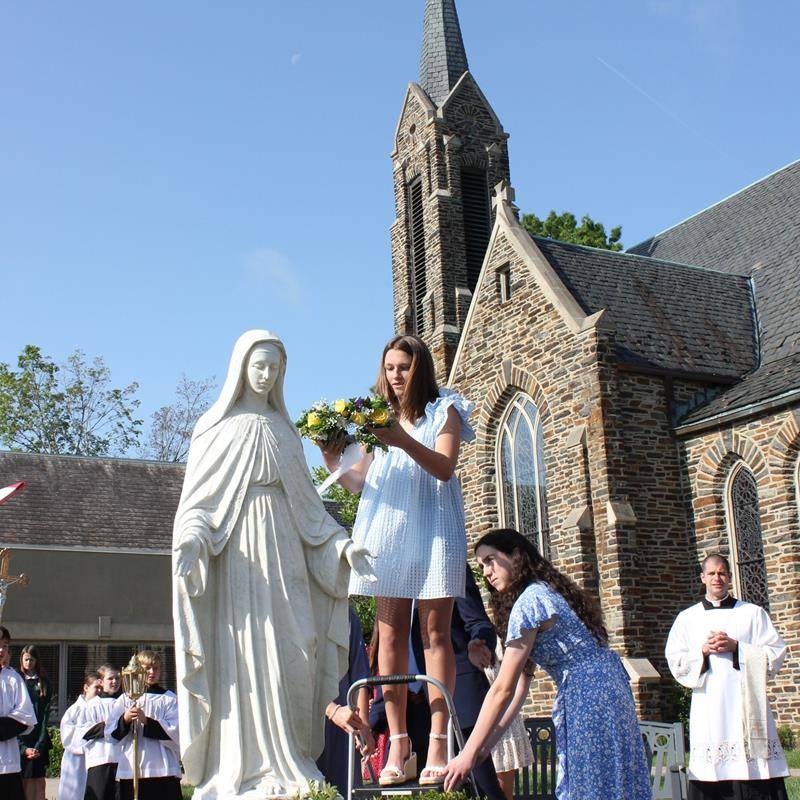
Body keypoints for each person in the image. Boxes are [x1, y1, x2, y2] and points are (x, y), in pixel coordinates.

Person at [173, 329, 376, 799]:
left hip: (286, 555)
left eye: (275, 368)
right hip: (237, 561)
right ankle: (240, 766)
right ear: (241, 367)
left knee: (298, 649)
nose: (266, 375)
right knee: (244, 657)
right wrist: (190, 540)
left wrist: (342, 547)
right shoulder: (215, 427)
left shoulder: (285, 432)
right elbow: (198, 508)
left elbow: (310, 511)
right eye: (259, 366)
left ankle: (291, 759)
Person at [320, 334, 474, 787]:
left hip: (432, 528)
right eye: (389, 368)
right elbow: (362, 482)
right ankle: (401, 740)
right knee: (388, 637)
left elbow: (445, 466)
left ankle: (440, 739)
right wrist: (331, 454)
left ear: (419, 368)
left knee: (433, 634)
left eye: (403, 367)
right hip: (387, 528)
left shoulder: (445, 409)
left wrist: (401, 438)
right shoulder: (377, 420)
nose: (395, 375)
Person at [443, 529, 651, 800]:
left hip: (589, 695)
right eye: (481, 566)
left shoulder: (529, 602)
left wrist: (468, 754)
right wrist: (484, 747)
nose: (486, 572)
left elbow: (502, 689)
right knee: (614, 780)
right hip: (608, 687)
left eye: (491, 560)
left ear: (516, 556)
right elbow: (518, 691)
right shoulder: (545, 591)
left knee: (591, 786)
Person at [665, 553, 789, 800]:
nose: (717, 578)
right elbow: (675, 660)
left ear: (729, 577)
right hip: (710, 704)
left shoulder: (753, 613)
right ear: (702, 578)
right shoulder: (687, 618)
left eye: (722, 573)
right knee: (713, 769)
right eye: (711, 573)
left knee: (754, 768)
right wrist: (701, 651)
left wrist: (737, 647)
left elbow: (776, 653)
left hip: (746, 704)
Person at [412, 566, 504, 800]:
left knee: (482, 789)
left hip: (458, 696)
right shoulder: (390, 584)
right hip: (413, 705)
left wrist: (478, 643)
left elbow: (478, 622)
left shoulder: (445, 566)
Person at [105, 650, 181, 800]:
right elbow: (110, 732)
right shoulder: (125, 699)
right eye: (147, 668)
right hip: (133, 766)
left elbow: (176, 730)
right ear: (138, 670)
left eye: (156, 668)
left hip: (162, 765)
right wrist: (125, 719)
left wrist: (148, 722)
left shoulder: (169, 699)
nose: (152, 672)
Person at [315, 607, 375, 794]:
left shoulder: (345, 615)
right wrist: (331, 710)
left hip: (345, 731)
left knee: (345, 790)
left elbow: (359, 679)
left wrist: (363, 727)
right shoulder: (292, 614)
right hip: (310, 725)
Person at [0, 627, 36, 800]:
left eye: (5, 645)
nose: (1, 650)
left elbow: (25, 717)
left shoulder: (12, 679)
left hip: (6, 764)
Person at [80, 664, 122, 800]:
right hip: (100, 760)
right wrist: (111, 725)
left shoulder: (124, 703)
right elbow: (85, 732)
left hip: (121, 761)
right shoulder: (92, 705)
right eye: (110, 678)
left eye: (117, 678)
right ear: (100, 682)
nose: (115, 682)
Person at [58, 671, 101, 800]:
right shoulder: (74, 710)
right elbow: (68, 736)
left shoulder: (102, 707)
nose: (99, 691)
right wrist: (92, 732)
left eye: (101, 688)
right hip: (76, 762)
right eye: (96, 687)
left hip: (96, 760)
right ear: (86, 688)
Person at [18, 645, 52, 800]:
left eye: (32, 659)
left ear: (37, 661)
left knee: (38, 781)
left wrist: (39, 745)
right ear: (21, 660)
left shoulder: (44, 682)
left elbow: (45, 714)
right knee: (22, 781)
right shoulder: (17, 680)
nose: (28, 662)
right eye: (26, 659)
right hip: (20, 737)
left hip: (38, 737)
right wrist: (23, 748)